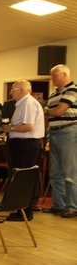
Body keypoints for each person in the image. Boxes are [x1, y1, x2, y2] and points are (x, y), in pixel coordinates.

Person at [2, 80, 45, 221]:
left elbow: (28, 126)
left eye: (13, 90)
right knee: (21, 177)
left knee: (23, 178)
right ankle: (21, 209)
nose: (10, 93)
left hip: (26, 145)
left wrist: (10, 128)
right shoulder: (23, 104)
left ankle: (25, 211)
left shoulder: (28, 103)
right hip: (23, 144)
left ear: (21, 90)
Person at [44, 64, 77, 219]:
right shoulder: (54, 93)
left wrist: (46, 110)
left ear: (65, 75)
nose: (52, 79)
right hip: (54, 132)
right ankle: (58, 205)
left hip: (68, 132)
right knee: (55, 172)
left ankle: (72, 207)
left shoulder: (72, 90)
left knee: (69, 172)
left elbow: (59, 111)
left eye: (55, 76)